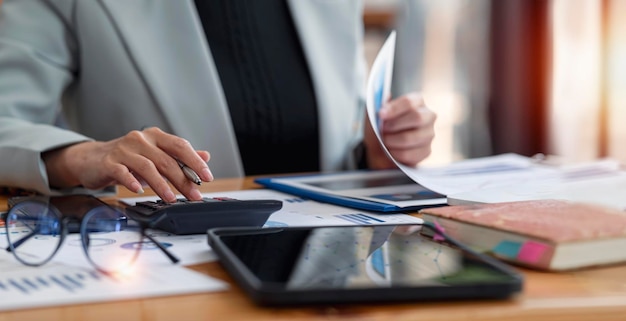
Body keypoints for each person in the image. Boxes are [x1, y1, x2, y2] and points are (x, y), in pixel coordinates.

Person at [0, 0, 436, 203]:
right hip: (158, 272)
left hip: (330, 269)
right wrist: (85, 156)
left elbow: (331, 138)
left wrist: (374, 153)